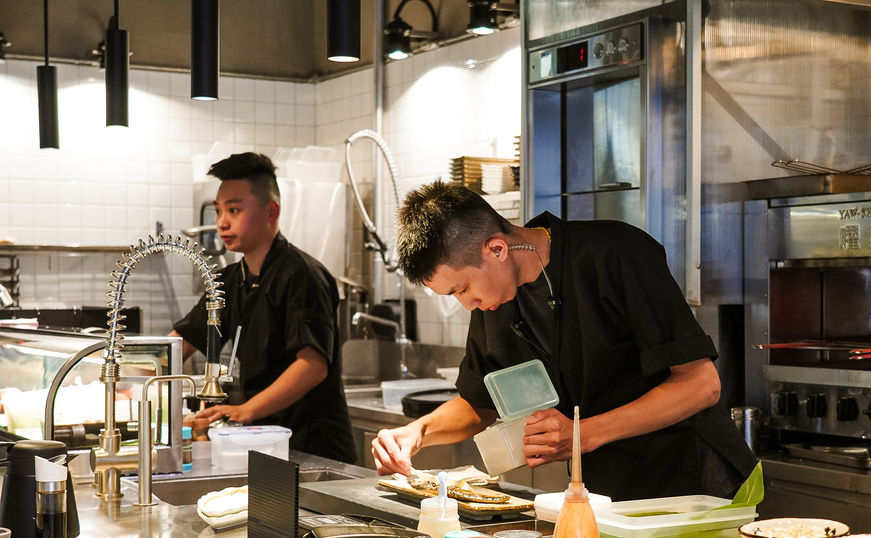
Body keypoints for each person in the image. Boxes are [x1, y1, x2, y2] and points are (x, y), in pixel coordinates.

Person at [371, 180, 756, 500]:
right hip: (605, 494)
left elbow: (701, 384)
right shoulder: (493, 302)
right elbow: (479, 405)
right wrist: (417, 432)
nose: (466, 303)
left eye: (462, 288)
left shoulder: (615, 252)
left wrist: (581, 434)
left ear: (497, 249)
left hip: (695, 485)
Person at [172, 152, 357, 463]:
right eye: (219, 210)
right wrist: (132, 377)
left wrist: (246, 410)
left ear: (271, 211)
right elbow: (181, 342)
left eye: (234, 209)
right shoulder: (231, 280)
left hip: (314, 449)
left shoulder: (303, 276)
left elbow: (312, 365)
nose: (222, 222)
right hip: (265, 443)